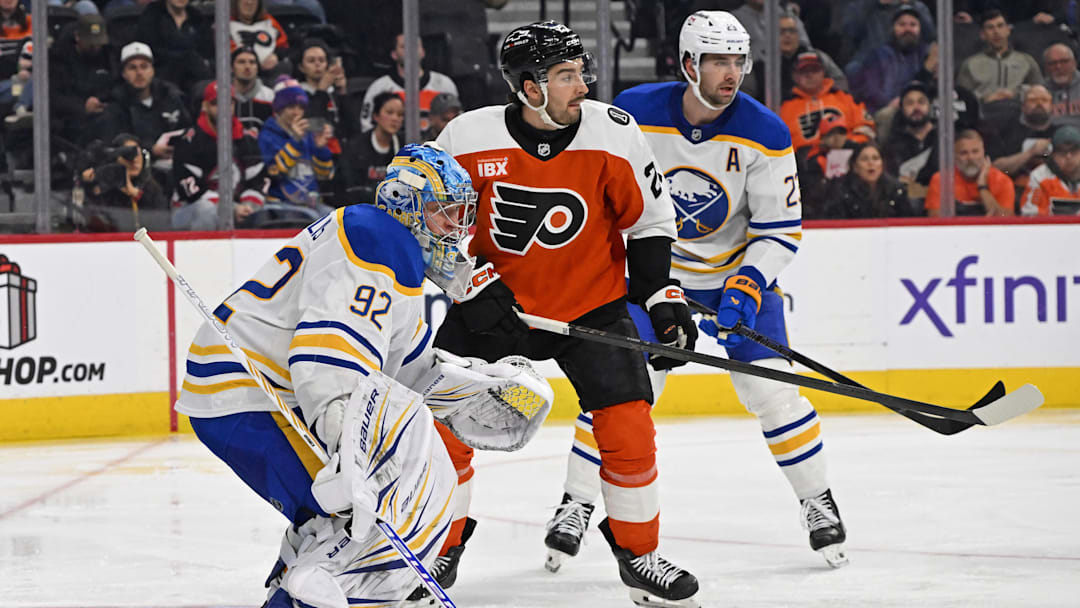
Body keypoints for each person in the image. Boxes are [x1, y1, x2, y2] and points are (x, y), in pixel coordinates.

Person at [175, 142, 553, 606]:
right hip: (254, 394)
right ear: (406, 206)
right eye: (443, 212)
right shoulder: (378, 237)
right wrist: (347, 455)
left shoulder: (392, 255)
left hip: (253, 393)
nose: (456, 227)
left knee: (344, 528)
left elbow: (401, 375)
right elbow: (329, 355)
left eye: (460, 213)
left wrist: (478, 389)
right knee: (365, 521)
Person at [418, 20, 701, 608]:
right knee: (441, 432)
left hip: (589, 308)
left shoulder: (613, 132)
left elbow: (647, 221)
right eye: (565, 76)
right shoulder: (465, 138)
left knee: (629, 429)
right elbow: (432, 223)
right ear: (528, 87)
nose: (582, 86)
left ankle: (639, 557)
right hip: (488, 312)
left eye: (581, 72)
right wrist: (469, 283)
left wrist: (661, 297)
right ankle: (436, 547)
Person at [601, 9, 848, 572]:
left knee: (774, 396)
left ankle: (817, 500)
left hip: (735, 276)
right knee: (624, 393)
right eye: (717, 61)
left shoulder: (764, 130)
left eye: (737, 60)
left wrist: (749, 279)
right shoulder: (633, 114)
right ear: (690, 63)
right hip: (656, 276)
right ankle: (573, 503)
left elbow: (780, 229)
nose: (730, 72)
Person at [171, 81, 268, 230]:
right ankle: (203, 253)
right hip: (188, 210)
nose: (224, 109)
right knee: (207, 211)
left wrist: (247, 207)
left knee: (265, 213)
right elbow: (190, 191)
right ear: (205, 106)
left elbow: (259, 180)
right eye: (216, 103)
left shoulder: (246, 140)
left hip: (237, 208)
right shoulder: (190, 141)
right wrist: (231, 208)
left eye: (229, 103)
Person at [89, 42, 192, 163]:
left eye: (144, 66)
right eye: (132, 68)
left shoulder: (171, 96)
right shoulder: (115, 105)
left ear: (152, 70)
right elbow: (113, 144)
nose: (139, 73)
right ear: (124, 74)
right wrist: (150, 150)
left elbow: (188, 129)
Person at [258, 76, 334, 209]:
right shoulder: (267, 135)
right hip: (279, 204)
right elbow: (274, 173)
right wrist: (296, 141)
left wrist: (321, 149)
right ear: (279, 108)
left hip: (312, 203)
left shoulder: (309, 134)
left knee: (337, 222)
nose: (297, 112)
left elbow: (324, 176)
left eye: (301, 107)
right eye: (291, 107)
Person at [359, 33, 459, 132]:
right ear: (394, 54)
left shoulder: (444, 85)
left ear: (423, 52)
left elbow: (456, 123)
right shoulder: (379, 88)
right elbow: (367, 126)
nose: (411, 50)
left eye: (415, 45)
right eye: (404, 46)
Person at [779, 51, 874, 155]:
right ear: (795, 76)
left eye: (814, 70)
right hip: (806, 166)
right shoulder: (785, 108)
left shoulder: (844, 98)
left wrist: (850, 144)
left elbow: (867, 128)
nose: (809, 75)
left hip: (848, 159)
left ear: (823, 72)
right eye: (803, 71)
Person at [848, 4, 936, 115]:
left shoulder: (927, 55)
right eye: (902, 24)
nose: (907, 29)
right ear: (892, 29)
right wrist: (898, 104)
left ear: (920, 29)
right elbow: (871, 91)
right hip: (887, 112)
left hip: (920, 112)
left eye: (913, 25)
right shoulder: (878, 55)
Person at [77, 133, 169, 231]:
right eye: (127, 155)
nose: (135, 159)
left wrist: (136, 195)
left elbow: (161, 223)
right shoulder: (104, 188)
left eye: (138, 154)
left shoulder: (152, 188)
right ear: (116, 159)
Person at [956, 10, 1043, 105]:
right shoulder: (970, 64)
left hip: (1019, 113)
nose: (996, 32)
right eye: (990, 28)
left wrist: (1015, 94)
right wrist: (984, 98)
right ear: (982, 35)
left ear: (1008, 30)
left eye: (1000, 26)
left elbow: (1040, 92)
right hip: (983, 114)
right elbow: (962, 98)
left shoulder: (1027, 61)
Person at [925, 128, 1015, 216]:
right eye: (963, 153)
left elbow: (1005, 222)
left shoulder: (1002, 181)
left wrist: (982, 187)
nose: (970, 158)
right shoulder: (941, 180)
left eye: (975, 152)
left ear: (983, 152)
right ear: (954, 156)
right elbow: (936, 221)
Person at [134, 0, 212, 95]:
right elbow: (148, 49)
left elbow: (207, 50)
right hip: (162, 73)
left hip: (194, 74)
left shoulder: (197, 18)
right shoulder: (152, 15)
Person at [823, 141, 913, 218]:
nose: (871, 163)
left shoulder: (896, 190)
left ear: (882, 164)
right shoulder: (841, 190)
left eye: (875, 158)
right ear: (855, 167)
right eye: (864, 159)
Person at [342, 91, 401, 201]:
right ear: (376, 116)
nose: (395, 118)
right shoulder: (355, 147)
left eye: (400, 114)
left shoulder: (404, 146)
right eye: (389, 112)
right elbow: (351, 188)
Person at [1020, 125, 1080, 215]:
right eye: (1062, 152)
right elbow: (1028, 213)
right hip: (1049, 228)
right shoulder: (1039, 176)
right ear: (1053, 155)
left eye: (1074, 150)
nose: (1068, 156)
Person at [229, 0, 289, 76]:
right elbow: (226, 53)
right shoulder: (225, 24)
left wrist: (276, 56)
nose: (249, 2)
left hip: (270, 73)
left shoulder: (270, 21)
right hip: (239, 76)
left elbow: (284, 46)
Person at [232, 46, 274, 131]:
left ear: (257, 68)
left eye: (252, 62)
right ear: (232, 68)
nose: (247, 66)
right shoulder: (222, 96)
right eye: (241, 62)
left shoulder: (270, 96)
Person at [1041, 43, 1080, 128]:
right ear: (1046, 67)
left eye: (1064, 61)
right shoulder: (1040, 91)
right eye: (1052, 63)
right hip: (1052, 138)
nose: (1058, 66)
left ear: (1074, 63)